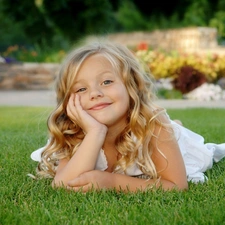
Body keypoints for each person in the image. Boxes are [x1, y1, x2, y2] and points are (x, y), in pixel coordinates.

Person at [30, 40, 225, 192]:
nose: (95, 93)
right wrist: (95, 132)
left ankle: (175, 128)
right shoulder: (74, 133)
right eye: (81, 88)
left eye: (106, 81)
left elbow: (177, 185)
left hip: (155, 131)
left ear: (130, 86)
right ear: (69, 102)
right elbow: (63, 185)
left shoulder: (154, 125)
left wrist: (111, 181)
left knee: (183, 141)